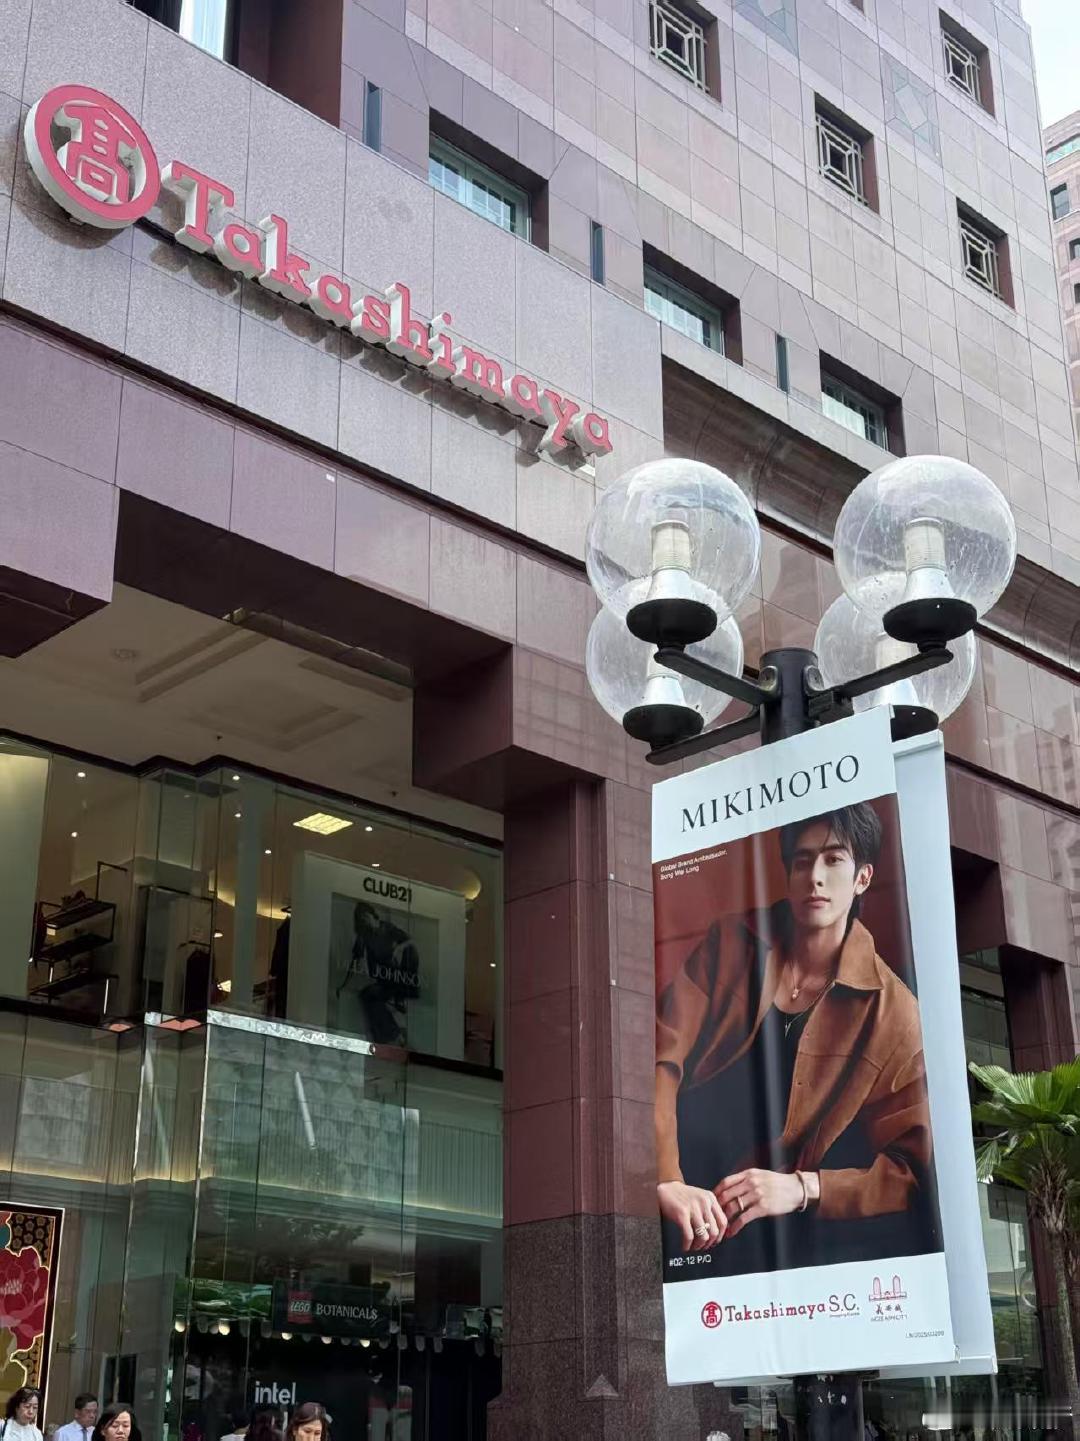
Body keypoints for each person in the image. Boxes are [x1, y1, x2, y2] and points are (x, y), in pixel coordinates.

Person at [656, 802, 937, 1276]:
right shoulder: (732, 942)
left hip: (778, 1243)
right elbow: (659, 1056)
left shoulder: (895, 1012)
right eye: (802, 861)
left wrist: (804, 1188)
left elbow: (913, 1169)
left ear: (863, 877)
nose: (815, 878)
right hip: (673, 1197)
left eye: (833, 859)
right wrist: (666, 1177)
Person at [345, 901, 420, 1045]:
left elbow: (410, 941)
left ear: (371, 914)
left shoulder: (387, 928)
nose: (364, 920)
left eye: (365, 916)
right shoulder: (364, 934)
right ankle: (389, 1037)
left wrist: (398, 949)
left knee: (411, 951)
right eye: (361, 919)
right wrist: (346, 983)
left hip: (397, 978)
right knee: (368, 996)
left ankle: (400, 1003)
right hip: (382, 981)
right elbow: (356, 960)